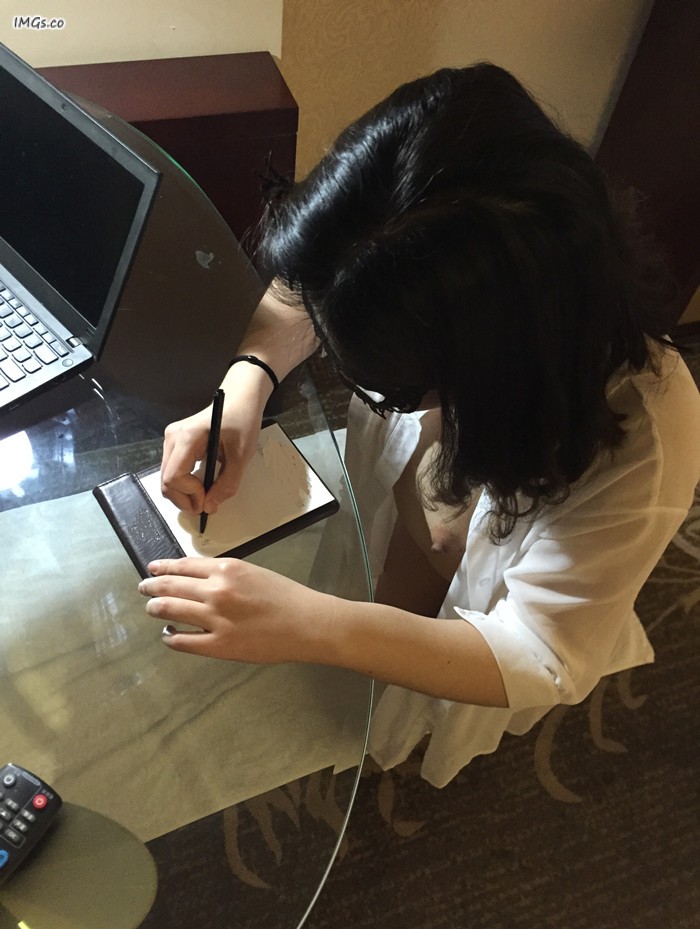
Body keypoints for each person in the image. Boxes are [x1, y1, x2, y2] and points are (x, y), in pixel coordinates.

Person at [138, 64, 700, 786]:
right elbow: (315, 282)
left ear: (485, 361)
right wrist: (247, 383)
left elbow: (540, 650)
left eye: (392, 383)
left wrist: (315, 625)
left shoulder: (647, 443)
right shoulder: (409, 220)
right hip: (390, 533)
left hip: (475, 620)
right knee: (365, 612)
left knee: (393, 700)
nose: (369, 390)